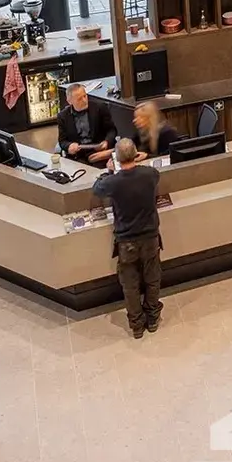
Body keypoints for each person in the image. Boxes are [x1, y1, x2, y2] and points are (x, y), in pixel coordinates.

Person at [92, 138, 163, 338]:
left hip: (126, 241)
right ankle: (153, 317)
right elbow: (154, 175)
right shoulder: (149, 174)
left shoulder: (113, 182)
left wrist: (109, 171)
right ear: (135, 154)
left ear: (116, 158)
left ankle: (137, 325)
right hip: (150, 237)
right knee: (152, 278)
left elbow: (97, 189)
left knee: (130, 284)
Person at [58, 83, 118, 164]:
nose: (84, 100)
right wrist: (69, 146)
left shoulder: (99, 108)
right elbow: (62, 141)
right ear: (70, 101)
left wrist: (107, 141)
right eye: (79, 99)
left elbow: (112, 130)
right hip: (78, 155)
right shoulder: (63, 116)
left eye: (85, 96)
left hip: (99, 151)